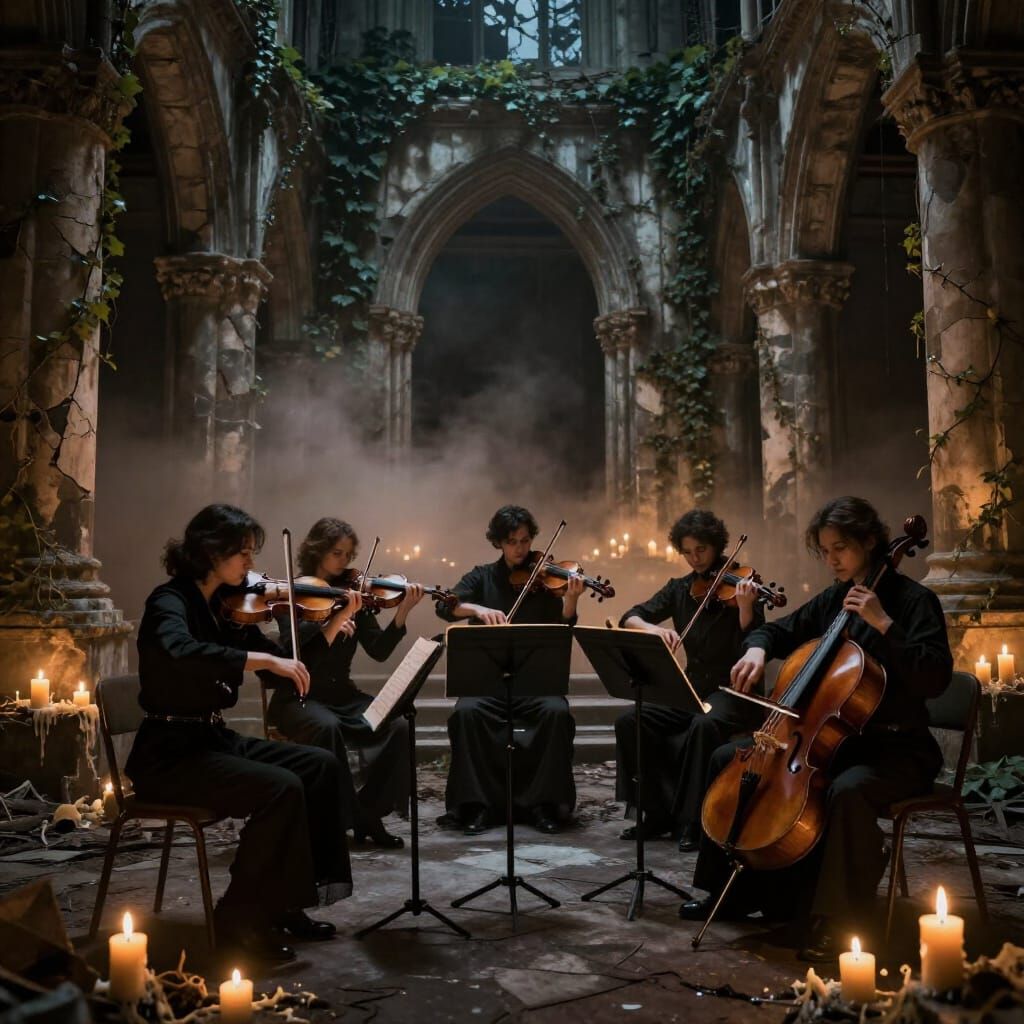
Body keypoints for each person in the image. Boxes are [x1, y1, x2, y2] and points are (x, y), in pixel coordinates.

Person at [679, 496, 952, 962]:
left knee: (847, 791)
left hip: (896, 747)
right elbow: (780, 629)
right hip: (836, 744)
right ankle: (732, 890)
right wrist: (758, 649)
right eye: (825, 551)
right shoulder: (834, 600)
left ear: (870, 541)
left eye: (840, 548)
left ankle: (839, 919)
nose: (832, 560)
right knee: (730, 759)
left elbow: (935, 677)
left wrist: (883, 623)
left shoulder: (914, 602)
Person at [126, 504, 352, 962]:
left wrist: (325, 625)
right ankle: (237, 917)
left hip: (210, 740)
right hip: (169, 755)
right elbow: (180, 649)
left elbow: (279, 668)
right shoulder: (169, 600)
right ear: (211, 552)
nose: (251, 565)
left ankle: (284, 903)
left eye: (252, 554)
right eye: (243, 554)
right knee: (280, 789)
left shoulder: (229, 609)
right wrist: (264, 660)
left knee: (319, 765)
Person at [269, 517, 425, 848]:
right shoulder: (293, 594)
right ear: (317, 551)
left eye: (348, 555)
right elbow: (295, 658)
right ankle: (338, 817)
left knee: (397, 724)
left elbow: (380, 651)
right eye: (336, 553)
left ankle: (368, 810)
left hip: (342, 696)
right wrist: (332, 623)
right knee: (326, 728)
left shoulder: (352, 595)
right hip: (299, 696)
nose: (343, 562)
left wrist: (402, 612)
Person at [615, 510, 762, 851]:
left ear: (717, 546)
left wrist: (744, 609)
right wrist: (655, 629)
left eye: (702, 550)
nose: (695, 559)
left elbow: (754, 643)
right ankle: (655, 813)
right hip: (693, 687)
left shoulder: (742, 585)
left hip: (733, 690)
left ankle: (695, 821)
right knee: (630, 720)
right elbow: (630, 617)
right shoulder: (680, 588)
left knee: (702, 725)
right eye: (688, 552)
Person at [435, 504, 582, 835]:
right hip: (489, 684)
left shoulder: (546, 580)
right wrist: (477, 607)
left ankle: (544, 805)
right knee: (466, 714)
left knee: (556, 712)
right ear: (499, 543)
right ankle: (478, 806)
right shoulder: (482, 576)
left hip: (534, 685)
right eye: (512, 542)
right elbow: (446, 606)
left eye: (525, 541)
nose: (520, 549)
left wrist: (571, 600)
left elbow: (563, 628)